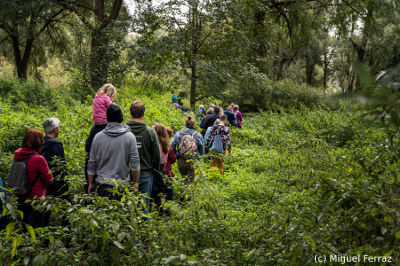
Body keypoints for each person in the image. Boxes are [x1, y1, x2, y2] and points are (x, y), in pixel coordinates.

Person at [87, 105, 140, 200]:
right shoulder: (130, 137)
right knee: (122, 214)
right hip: (122, 186)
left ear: (107, 118)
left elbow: (92, 162)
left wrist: (91, 183)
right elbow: (134, 162)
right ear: (121, 118)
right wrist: (135, 182)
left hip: (101, 186)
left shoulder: (98, 137)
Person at [14, 129, 54, 228]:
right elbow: (50, 180)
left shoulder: (18, 154)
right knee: (36, 231)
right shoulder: (38, 159)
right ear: (39, 142)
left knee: (23, 231)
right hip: (35, 200)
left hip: (20, 198)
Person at [127, 101, 161, 213]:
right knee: (143, 205)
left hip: (126, 172)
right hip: (145, 172)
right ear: (143, 114)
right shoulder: (150, 132)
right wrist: (155, 170)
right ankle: (143, 228)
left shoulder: (124, 130)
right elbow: (156, 155)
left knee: (126, 205)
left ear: (130, 113)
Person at [85, 83, 117, 190]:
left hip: (96, 124)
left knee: (89, 144)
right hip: (104, 124)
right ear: (111, 93)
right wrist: (115, 104)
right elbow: (112, 107)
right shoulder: (107, 98)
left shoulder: (96, 97)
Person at [170, 116, 204, 184]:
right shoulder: (198, 135)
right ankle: (189, 193)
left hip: (181, 160)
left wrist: (176, 155)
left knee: (184, 178)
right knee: (190, 181)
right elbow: (201, 149)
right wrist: (198, 157)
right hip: (193, 160)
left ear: (185, 124)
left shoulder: (179, 133)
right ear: (194, 125)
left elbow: (172, 145)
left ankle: (182, 191)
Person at [42, 117, 68, 198]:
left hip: (44, 182)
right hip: (57, 183)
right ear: (55, 129)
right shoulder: (56, 144)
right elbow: (61, 166)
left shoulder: (41, 143)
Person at [151, 123, 171, 212]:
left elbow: (155, 159)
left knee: (153, 191)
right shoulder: (165, 144)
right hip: (161, 169)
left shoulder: (157, 144)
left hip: (156, 168)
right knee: (157, 193)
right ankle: (160, 211)